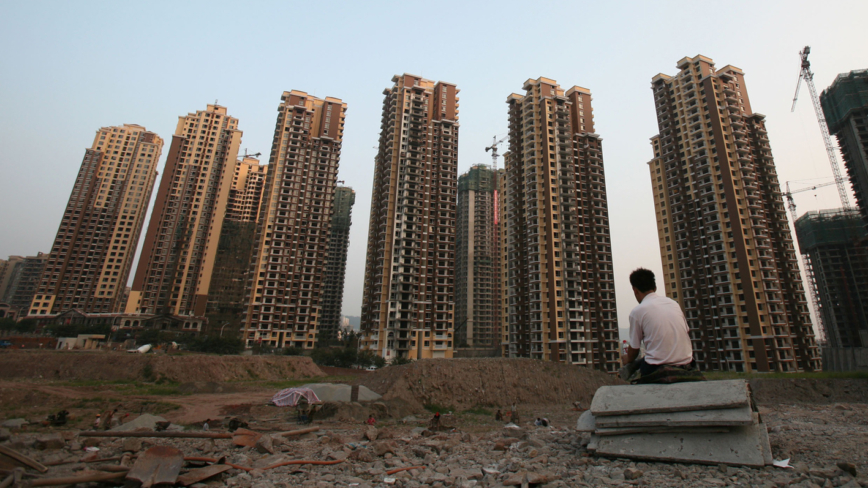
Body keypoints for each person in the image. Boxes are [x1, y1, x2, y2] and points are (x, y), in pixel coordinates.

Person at [621, 268, 694, 382]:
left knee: (645, 364)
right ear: (655, 287)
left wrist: (627, 359)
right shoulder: (673, 304)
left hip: (657, 367)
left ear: (635, 290)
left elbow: (634, 350)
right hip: (687, 363)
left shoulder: (637, 311)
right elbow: (686, 331)